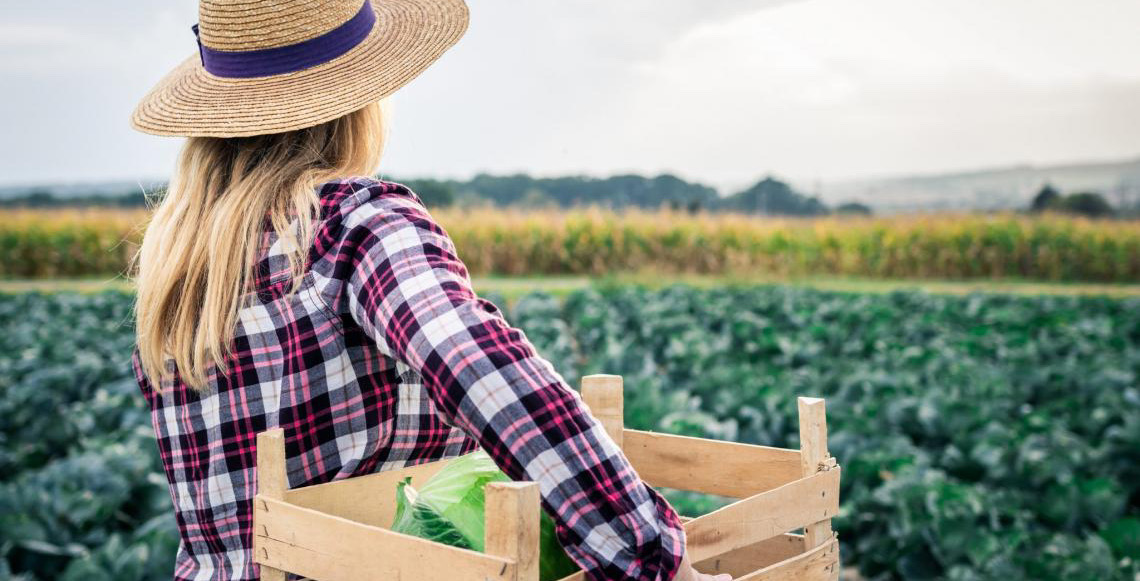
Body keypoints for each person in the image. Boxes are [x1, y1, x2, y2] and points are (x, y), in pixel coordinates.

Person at [130, 1, 731, 580]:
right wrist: (649, 556)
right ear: (357, 102)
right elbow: (483, 371)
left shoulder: (178, 276)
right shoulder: (354, 226)